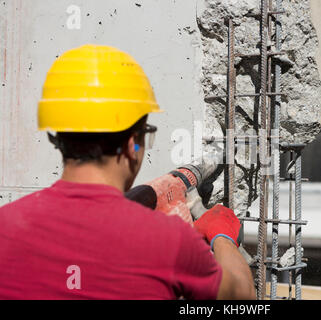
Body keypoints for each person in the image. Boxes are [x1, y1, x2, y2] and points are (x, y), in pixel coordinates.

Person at [0, 44, 255, 300]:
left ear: (58, 138)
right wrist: (221, 236)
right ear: (133, 144)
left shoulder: (6, 227)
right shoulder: (168, 242)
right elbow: (241, 300)